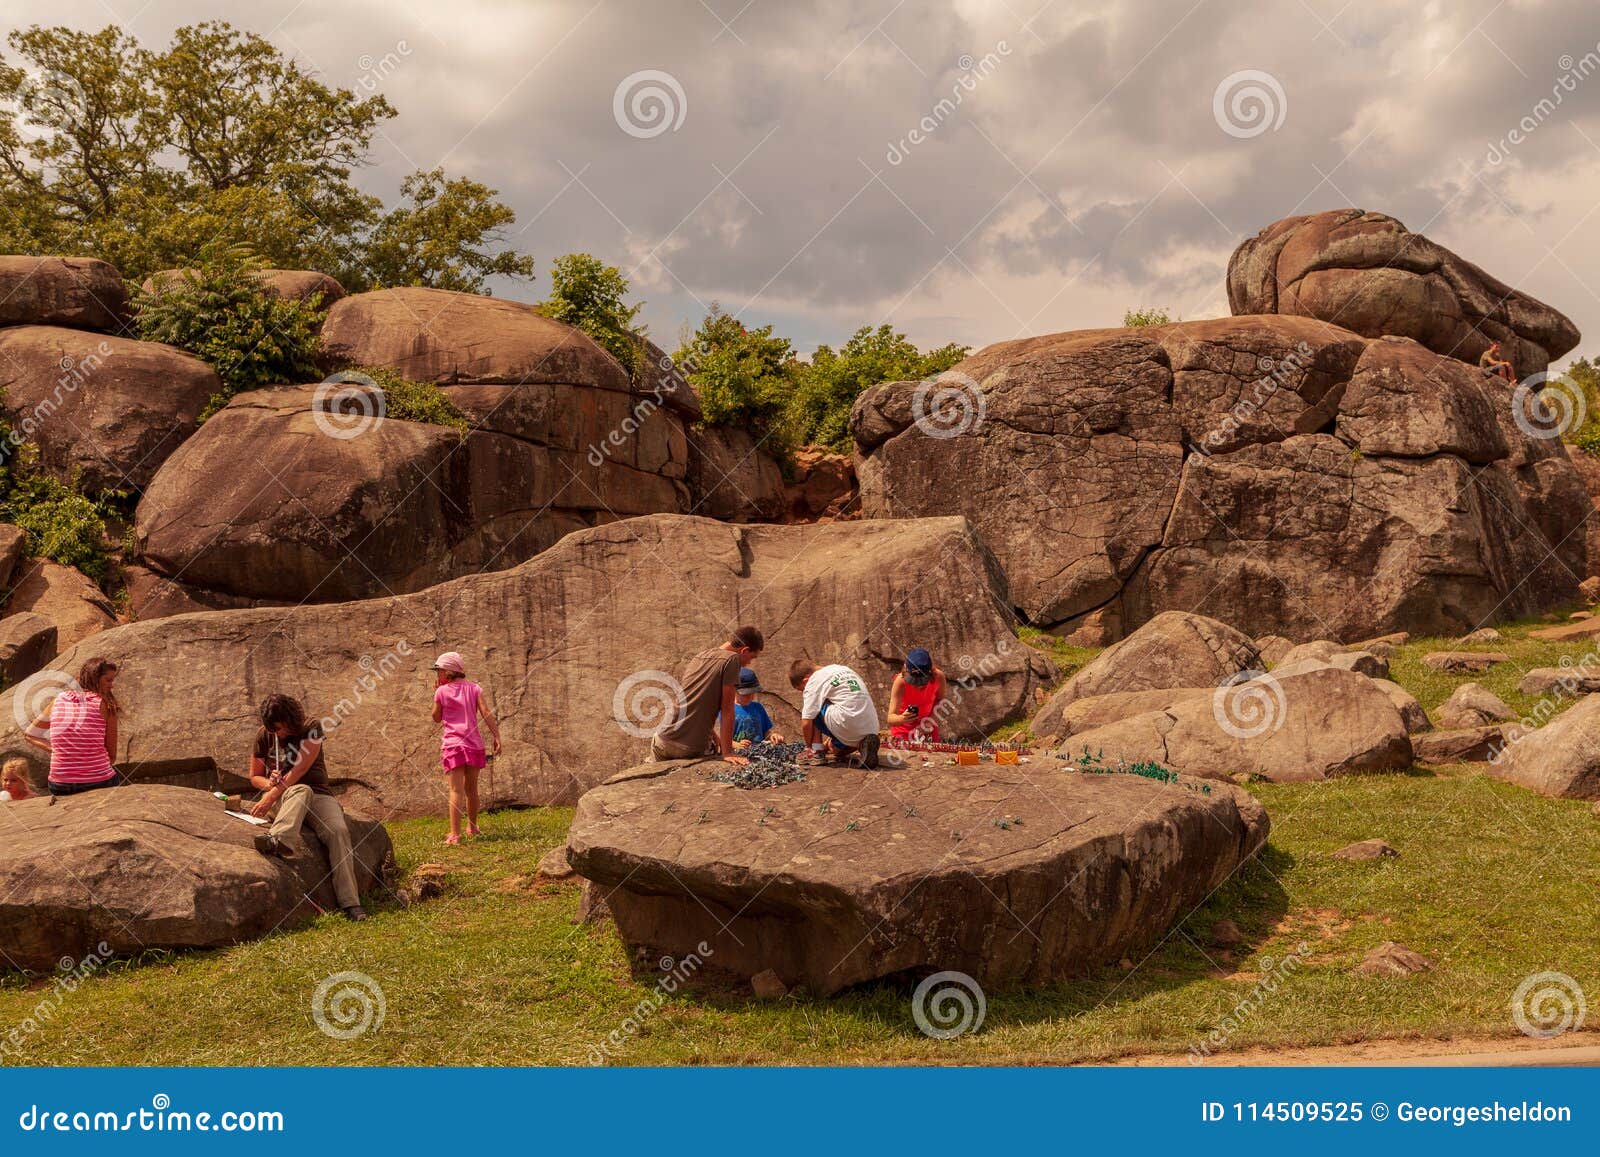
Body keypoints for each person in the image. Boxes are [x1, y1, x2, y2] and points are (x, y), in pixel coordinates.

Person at [248, 693, 368, 922]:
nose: (277, 734)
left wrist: (268, 797)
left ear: (290, 719)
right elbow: (254, 777)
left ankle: (352, 904)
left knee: (338, 831)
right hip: (286, 797)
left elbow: (300, 770)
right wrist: (270, 783)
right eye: (273, 730)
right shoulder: (264, 736)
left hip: (317, 794)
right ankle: (278, 839)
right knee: (300, 790)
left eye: (280, 728)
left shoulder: (312, 727)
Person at [651, 627, 764, 765]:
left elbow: (695, 700)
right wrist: (727, 752)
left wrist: (712, 734)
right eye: (752, 657)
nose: (749, 663)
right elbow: (727, 709)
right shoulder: (732, 659)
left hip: (662, 740)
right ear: (744, 650)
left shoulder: (700, 656)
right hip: (687, 748)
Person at [431, 651, 501, 846]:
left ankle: (454, 834)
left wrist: (437, 695)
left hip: (453, 745)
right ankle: (473, 827)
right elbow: (486, 712)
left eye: (439, 671)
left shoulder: (441, 691)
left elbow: (436, 718)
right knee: (472, 790)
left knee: (456, 790)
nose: (437, 675)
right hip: (474, 745)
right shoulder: (475, 689)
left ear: (448, 672)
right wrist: (497, 736)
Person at [24, 659, 123, 796]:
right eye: (108, 680)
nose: (112, 686)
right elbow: (112, 755)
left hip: (60, 785)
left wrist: (59, 750)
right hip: (98, 782)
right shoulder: (106, 705)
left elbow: (30, 734)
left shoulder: (59, 699)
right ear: (94, 678)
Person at [789, 660, 881, 768]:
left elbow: (806, 722)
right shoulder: (844, 669)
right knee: (835, 751)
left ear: (806, 680)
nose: (804, 692)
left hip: (847, 722)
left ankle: (816, 753)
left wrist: (809, 747)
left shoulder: (814, 681)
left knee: (813, 705)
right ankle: (862, 745)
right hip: (872, 728)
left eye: (802, 689)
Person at [887, 648, 946, 745]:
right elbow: (890, 718)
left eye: (922, 682)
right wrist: (902, 718)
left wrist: (930, 721)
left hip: (928, 726)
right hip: (903, 730)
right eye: (913, 681)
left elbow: (940, 700)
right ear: (905, 670)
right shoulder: (900, 681)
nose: (918, 686)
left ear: (931, 672)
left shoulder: (939, 677)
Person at [729, 668, 783, 748]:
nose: (750, 697)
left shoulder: (758, 707)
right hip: (737, 754)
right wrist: (736, 744)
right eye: (745, 694)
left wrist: (773, 736)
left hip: (760, 753)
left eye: (752, 693)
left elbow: (766, 733)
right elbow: (721, 738)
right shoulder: (727, 710)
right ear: (734, 690)